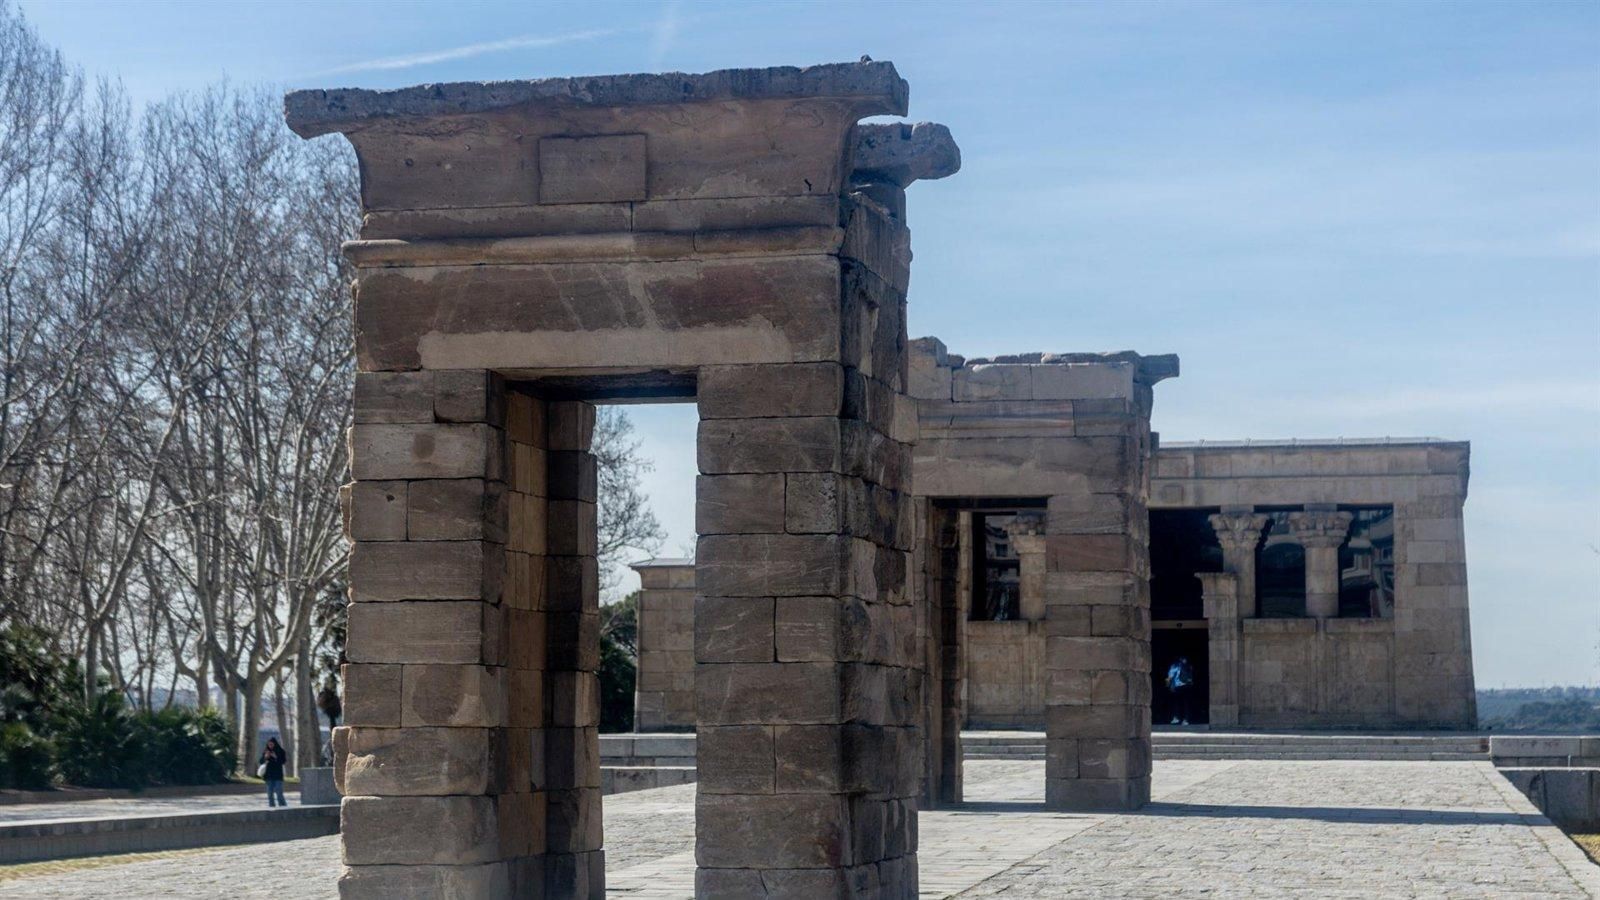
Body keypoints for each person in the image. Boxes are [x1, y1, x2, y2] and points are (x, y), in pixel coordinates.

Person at [259, 737, 288, 808]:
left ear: (275, 744)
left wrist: (275, 757)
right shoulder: (266, 751)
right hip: (269, 775)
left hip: (278, 775)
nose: (270, 746)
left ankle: (283, 806)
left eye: (271, 744)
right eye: (269, 744)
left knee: (279, 792)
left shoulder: (280, 751)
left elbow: (283, 761)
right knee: (270, 793)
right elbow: (261, 761)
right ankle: (271, 807)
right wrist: (265, 757)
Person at [1166, 656, 1195, 726]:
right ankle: (1186, 719)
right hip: (1186, 686)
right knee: (1186, 703)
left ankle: (1176, 717)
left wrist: (1168, 686)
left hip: (1177, 687)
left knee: (1176, 703)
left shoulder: (1174, 666)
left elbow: (1169, 677)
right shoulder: (1188, 665)